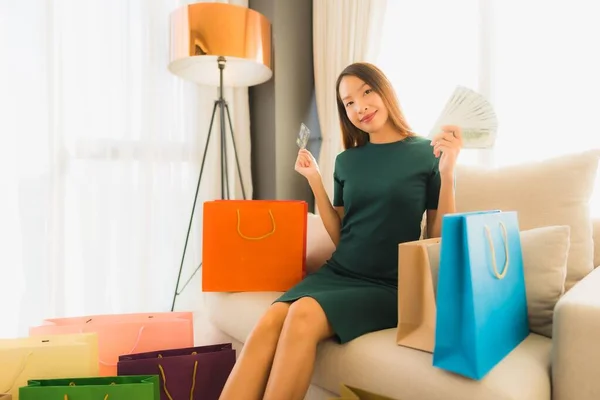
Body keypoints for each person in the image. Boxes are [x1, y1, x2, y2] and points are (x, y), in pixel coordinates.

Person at [218, 62, 463, 400]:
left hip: (390, 284)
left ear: (385, 91)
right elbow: (341, 234)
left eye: (366, 92)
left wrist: (448, 173)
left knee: (302, 314)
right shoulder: (347, 161)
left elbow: (439, 236)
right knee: (271, 317)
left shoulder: (426, 153)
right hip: (340, 271)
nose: (360, 106)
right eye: (348, 102)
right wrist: (316, 180)